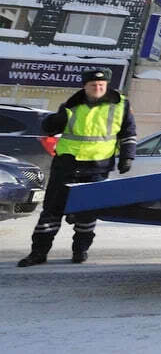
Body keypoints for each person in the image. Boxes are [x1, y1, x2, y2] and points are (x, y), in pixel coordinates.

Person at [17, 67, 136, 266]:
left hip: (97, 167)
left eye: (101, 85)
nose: (97, 88)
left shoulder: (120, 105)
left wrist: (127, 157)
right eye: (93, 85)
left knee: (87, 214)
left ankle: (80, 251)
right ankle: (38, 253)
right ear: (85, 86)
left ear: (106, 86)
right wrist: (56, 120)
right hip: (67, 165)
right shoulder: (72, 104)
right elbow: (49, 128)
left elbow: (128, 133)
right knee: (51, 212)